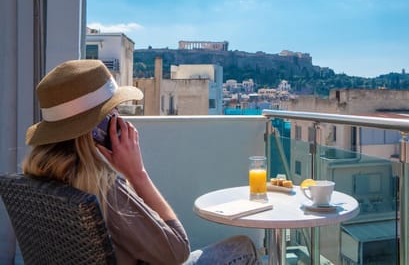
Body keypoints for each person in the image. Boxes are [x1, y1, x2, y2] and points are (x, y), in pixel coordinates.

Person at [23, 59, 261, 265]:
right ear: (99, 129)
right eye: (114, 113)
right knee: (242, 248)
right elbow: (178, 252)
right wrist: (137, 173)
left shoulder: (38, 180)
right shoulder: (104, 190)